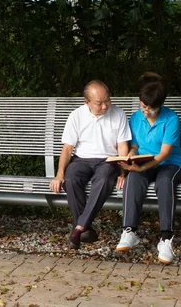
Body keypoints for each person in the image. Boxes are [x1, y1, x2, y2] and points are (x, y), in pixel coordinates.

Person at [49, 80, 131, 249]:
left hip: (108, 161)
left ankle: (78, 228)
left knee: (104, 179)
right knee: (70, 179)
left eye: (107, 100)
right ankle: (85, 228)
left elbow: (123, 146)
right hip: (81, 160)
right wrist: (59, 175)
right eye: (99, 103)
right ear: (86, 102)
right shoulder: (76, 116)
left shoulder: (119, 114)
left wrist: (123, 173)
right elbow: (67, 148)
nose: (105, 106)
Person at [115, 72, 181, 264]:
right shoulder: (136, 118)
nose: (145, 111)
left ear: (160, 106)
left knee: (164, 182)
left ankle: (166, 238)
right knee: (133, 179)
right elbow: (135, 145)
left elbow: (164, 153)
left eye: (149, 109)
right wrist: (130, 156)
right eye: (142, 106)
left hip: (170, 165)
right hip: (144, 163)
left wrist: (144, 166)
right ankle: (129, 231)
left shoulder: (171, 119)